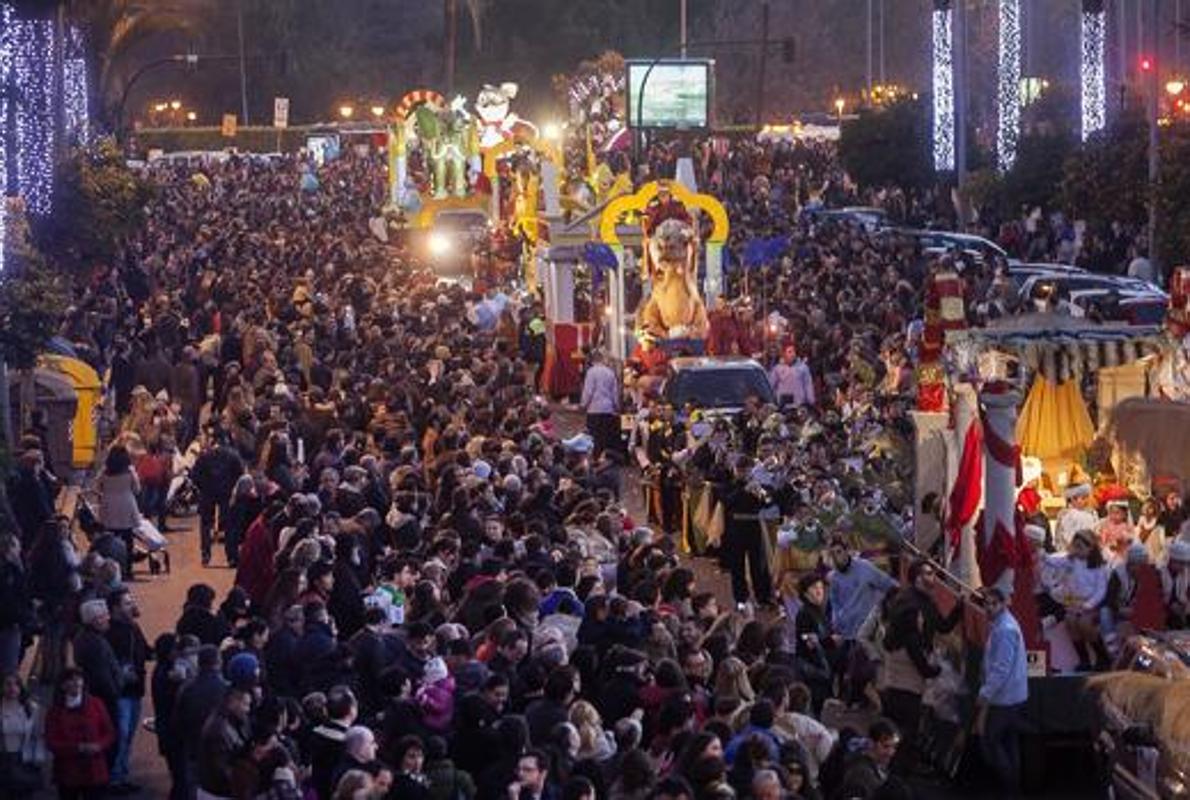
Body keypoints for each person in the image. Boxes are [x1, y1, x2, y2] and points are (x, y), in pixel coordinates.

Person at [975, 587, 1028, 794]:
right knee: (1009, 741)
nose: (988, 607)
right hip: (1013, 695)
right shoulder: (1004, 624)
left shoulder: (1004, 629)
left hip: (1004, 698)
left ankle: (1009, 788)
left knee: (992, 740)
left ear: (1003, 604)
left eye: (993, 603)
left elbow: (1001, 668)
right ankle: (1013, 789)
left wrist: (985, 693)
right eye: (986, 603)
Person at [105, 587, 150, 794]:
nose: (131, 605)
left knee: (129, 734)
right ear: (115, 607)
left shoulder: (133, 627)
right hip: (120, 692)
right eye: (126, 602)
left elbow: (145, 650)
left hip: (135, 688)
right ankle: (113, 778)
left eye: (131, 601)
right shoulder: (108, 631)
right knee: (120, 734)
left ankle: (121, 774)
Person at [45, 668, 116, 800]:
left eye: (78, 679)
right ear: (63, 685)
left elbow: (109, 733)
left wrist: (99, 746)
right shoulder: (55, 711)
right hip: (68, 772)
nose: (76, 683)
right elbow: (51, 742)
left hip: (94, 770)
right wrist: (77, 748)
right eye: (71, 680)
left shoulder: (96, 703)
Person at [190, 428, 246, 566]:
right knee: (229, 525)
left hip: (207, 493)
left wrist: (203, 487)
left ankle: (205, 554)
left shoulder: (205, 455)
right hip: (226, 493)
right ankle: (231, 556)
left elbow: (194, 475)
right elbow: (241, 474)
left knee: (205, 523)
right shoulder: (233, 455)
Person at [97, 445, 141, 577]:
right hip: (126, 505)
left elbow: (98, 487)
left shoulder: (104, 472)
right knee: (128, 540)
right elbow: (137, 489)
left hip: (109, 506)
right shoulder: (129, 471)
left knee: (110, 539)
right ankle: (127, 569)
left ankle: (111, 570)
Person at [0, 673, 44, 797]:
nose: (12, 688)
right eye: (8, 684)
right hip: (3, 758)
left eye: (16, 684)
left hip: (24, 758)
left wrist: (37, 760)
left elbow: (37, 736)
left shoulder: (30, 708)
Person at [0, 534, 30, 676]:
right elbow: (12, 598)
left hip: (10, 620)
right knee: (8, 668)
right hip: (10, 623)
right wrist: (22, 617)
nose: (19, 550)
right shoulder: (11, 570)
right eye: (17, 546)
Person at [581, 350, 620, 457]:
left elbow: (588, 391)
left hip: (594, 409)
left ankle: (595, 458)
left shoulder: (591, 372)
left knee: (594, 437)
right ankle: (605, 458)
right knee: (605, 437)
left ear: (593, 360)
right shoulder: (610, 372)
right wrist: (616, 407)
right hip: (608, 409)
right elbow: (614, 393)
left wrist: (583, 405)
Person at [768, 343, 815, 408]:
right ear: (784, 354)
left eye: (794, 352)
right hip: (782, 404)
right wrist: (770, 400)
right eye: (789, 352)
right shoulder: (777, 368)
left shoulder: (803, 368)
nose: (793, 354)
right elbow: (770, 385)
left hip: (799, 404)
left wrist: (810, 401)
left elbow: (808, 384)